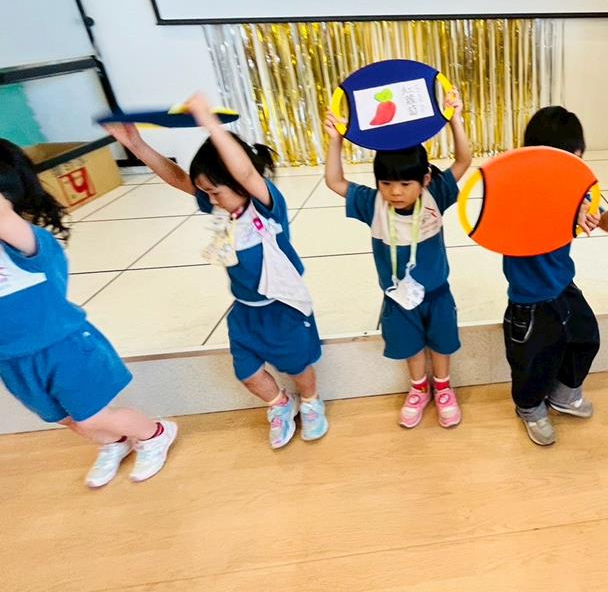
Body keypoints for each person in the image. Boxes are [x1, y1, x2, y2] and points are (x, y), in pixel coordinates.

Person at [107, 94, 327, 449]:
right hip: (245, 310)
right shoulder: (223, 208)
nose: (209, 200)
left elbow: (245, 173)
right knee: (247, 373)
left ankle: (312, 401)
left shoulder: (265, 208)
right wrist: (135, 144)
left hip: (282, 307)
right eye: (205, 192)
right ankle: (279, 403)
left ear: (240, 185)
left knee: (298, 365)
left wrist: (211, 124)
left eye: (215, 192)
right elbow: (177, 178)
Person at [0, 138, 176, 487]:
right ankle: (114, 442)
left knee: (90, 416)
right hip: (12, 359)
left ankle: (154, 433)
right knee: (64, 418)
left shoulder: (27, 241)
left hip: (61, 348)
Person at [323, 91, 471, 429]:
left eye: (405, 183)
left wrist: (455, 120)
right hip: (397, 297)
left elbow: (464, 161)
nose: (395, 191)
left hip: (438, 293)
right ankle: (419, 388)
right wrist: (335, 140)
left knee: (442, 342)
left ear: (425, 180)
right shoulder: (371, 203)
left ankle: (443, 387)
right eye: (386, 183)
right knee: (410, 345)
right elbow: (334, 181)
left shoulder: (436, 195)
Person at [500, 105, 608, 446]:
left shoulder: (578, 190)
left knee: (586, 336)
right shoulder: (516, 189)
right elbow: (513, 230)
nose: (574, 170)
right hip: (529, 298)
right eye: (566, 162)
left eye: (578, 161)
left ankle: (563, 394)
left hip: (562, 284)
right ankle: (529, 407)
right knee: (532, 358)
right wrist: (561, 212)